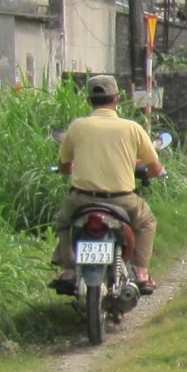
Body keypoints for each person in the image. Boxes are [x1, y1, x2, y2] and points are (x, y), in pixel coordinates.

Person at [54, 74, 165, 292]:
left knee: (63, 222)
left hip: (81, 199)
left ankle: (68, 270)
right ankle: (141, 272)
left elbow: (65, 166)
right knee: (147, 222)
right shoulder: (132, 128)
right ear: (117, 98)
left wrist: (73, 169)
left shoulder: (77, 127)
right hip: (123, 200)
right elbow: (155, 168)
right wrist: (151, 174)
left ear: (89, 101)